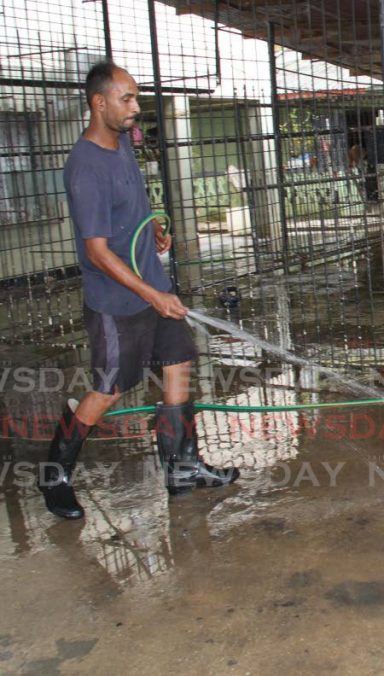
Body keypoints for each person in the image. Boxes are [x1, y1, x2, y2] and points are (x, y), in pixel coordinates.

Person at [38, 61, 239, 520]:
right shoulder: (86, 166)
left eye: (135, 98)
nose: (135, 107)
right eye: (126, 99)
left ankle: (182, 467)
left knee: (178, 366)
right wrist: (152, 295)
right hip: (118, 303)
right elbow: (96, 252)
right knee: (109, 389)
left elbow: (131, 211)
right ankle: (54, 475)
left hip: (153, 285)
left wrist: (154, 235)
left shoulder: (123, 144)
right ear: (98, 102)